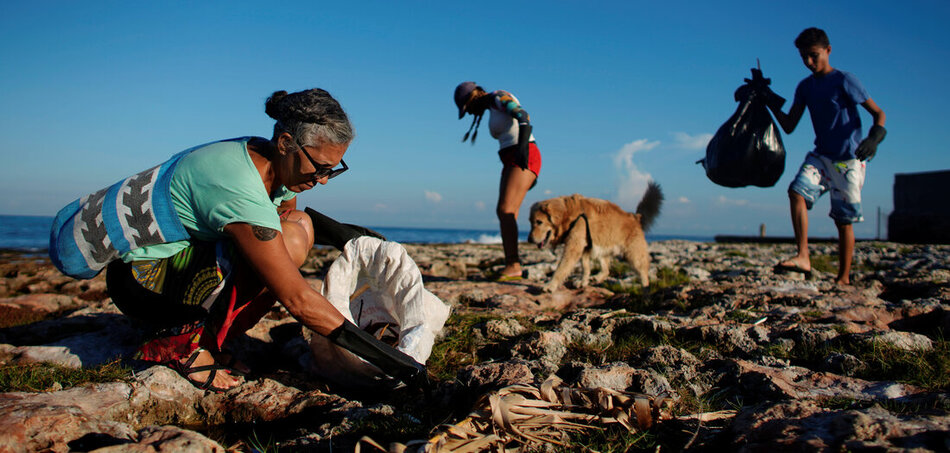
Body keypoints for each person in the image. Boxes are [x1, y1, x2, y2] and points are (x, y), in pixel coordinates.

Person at [50, 88, 425, 392]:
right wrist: (396, 363)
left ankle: (212, 337)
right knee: (289, 245)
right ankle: (182, 346)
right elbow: (296, 298)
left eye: (334, 170)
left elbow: (286, 218)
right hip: (140, 282)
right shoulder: (240, 190)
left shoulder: (263, 156)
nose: (323, 180)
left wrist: (357, 237)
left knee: (295, 230)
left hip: (171, 262)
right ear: (286, 142)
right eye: (319, 168)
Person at [766, 28, 887, 285]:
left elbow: (878, 113)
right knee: (796, 192)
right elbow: (789, 124)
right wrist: (768, 99)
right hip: (821, 156)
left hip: (849, 160)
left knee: (843, 220)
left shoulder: (845, 80)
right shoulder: (805, 87)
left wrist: (874, 139)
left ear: (828, 51)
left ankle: (843, 279)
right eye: (804, 57)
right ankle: (803, 255)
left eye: (814, 55)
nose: (809, 62)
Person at [454, 82, 542, 281]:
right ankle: (512, 264)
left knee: (506, 210)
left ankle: (513, 265)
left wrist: (522, 149)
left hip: (523, 154)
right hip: (511, 158)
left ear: (472, 96)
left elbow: (523, 115)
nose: (469, 114)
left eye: (467, 109)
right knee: (505, 211)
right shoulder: (492, 106)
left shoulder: (498, 97)